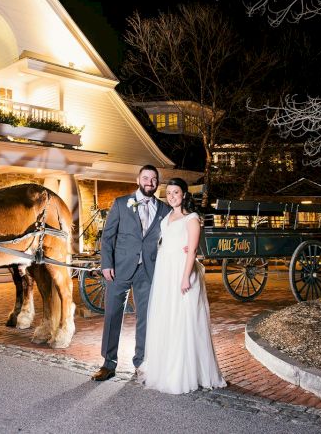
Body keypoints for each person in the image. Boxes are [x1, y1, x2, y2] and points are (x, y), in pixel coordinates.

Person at [139, 177, 226, 394]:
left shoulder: (192, 219)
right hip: (165, 271)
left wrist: (186, 276)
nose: (172, 196)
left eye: (176, 192)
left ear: (184, 194)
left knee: (184, 320)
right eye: (168, 193)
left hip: (182, 271)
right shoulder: (167, 216)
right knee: (167, 318)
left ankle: (185, 372)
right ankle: (166, 367)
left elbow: (193, 250)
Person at [91, 165, 171, 381]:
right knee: (112, 315)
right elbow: (108, 237)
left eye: (154, 179)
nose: (150, 182)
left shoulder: (164, 210)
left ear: (157, 183)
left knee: (145, 318)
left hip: (148, 271)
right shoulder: (120, 203)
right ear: (138, 179)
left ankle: (141, 363)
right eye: (146, 178)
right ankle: (108, 364)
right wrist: (106, 264)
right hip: (119, 269)